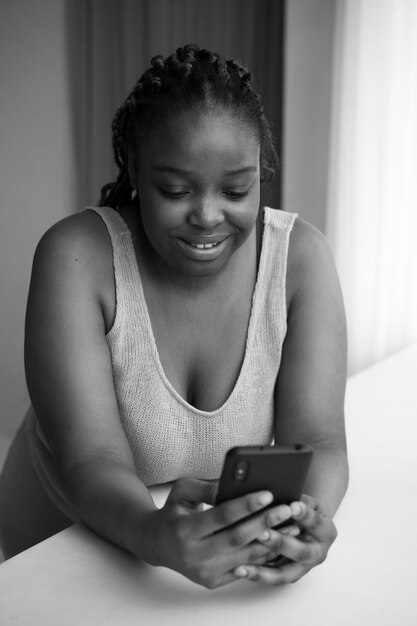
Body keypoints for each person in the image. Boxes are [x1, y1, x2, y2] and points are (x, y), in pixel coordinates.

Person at [0, 44, 348, 588]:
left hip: (184, 555)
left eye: (237, 190)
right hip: (59, 543)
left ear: (262, 173)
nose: (208, 215)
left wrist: (303, 521)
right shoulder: (76, 258)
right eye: (176, 190)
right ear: (135, 168)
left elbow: (319, 440)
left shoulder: (300, 260)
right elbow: (90, 458)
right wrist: (152, 534)